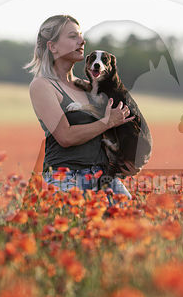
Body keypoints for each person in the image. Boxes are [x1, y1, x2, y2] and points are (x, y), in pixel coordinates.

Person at [24, 15, 134, 199]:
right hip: (66, 177)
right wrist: (107, 122)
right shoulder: (42, 85)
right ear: (53, 46)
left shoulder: (90, 87)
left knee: (129, 213)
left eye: (81, 36)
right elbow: (65, 137)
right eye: (73, 36)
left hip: (102, 176)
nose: (82, 41)